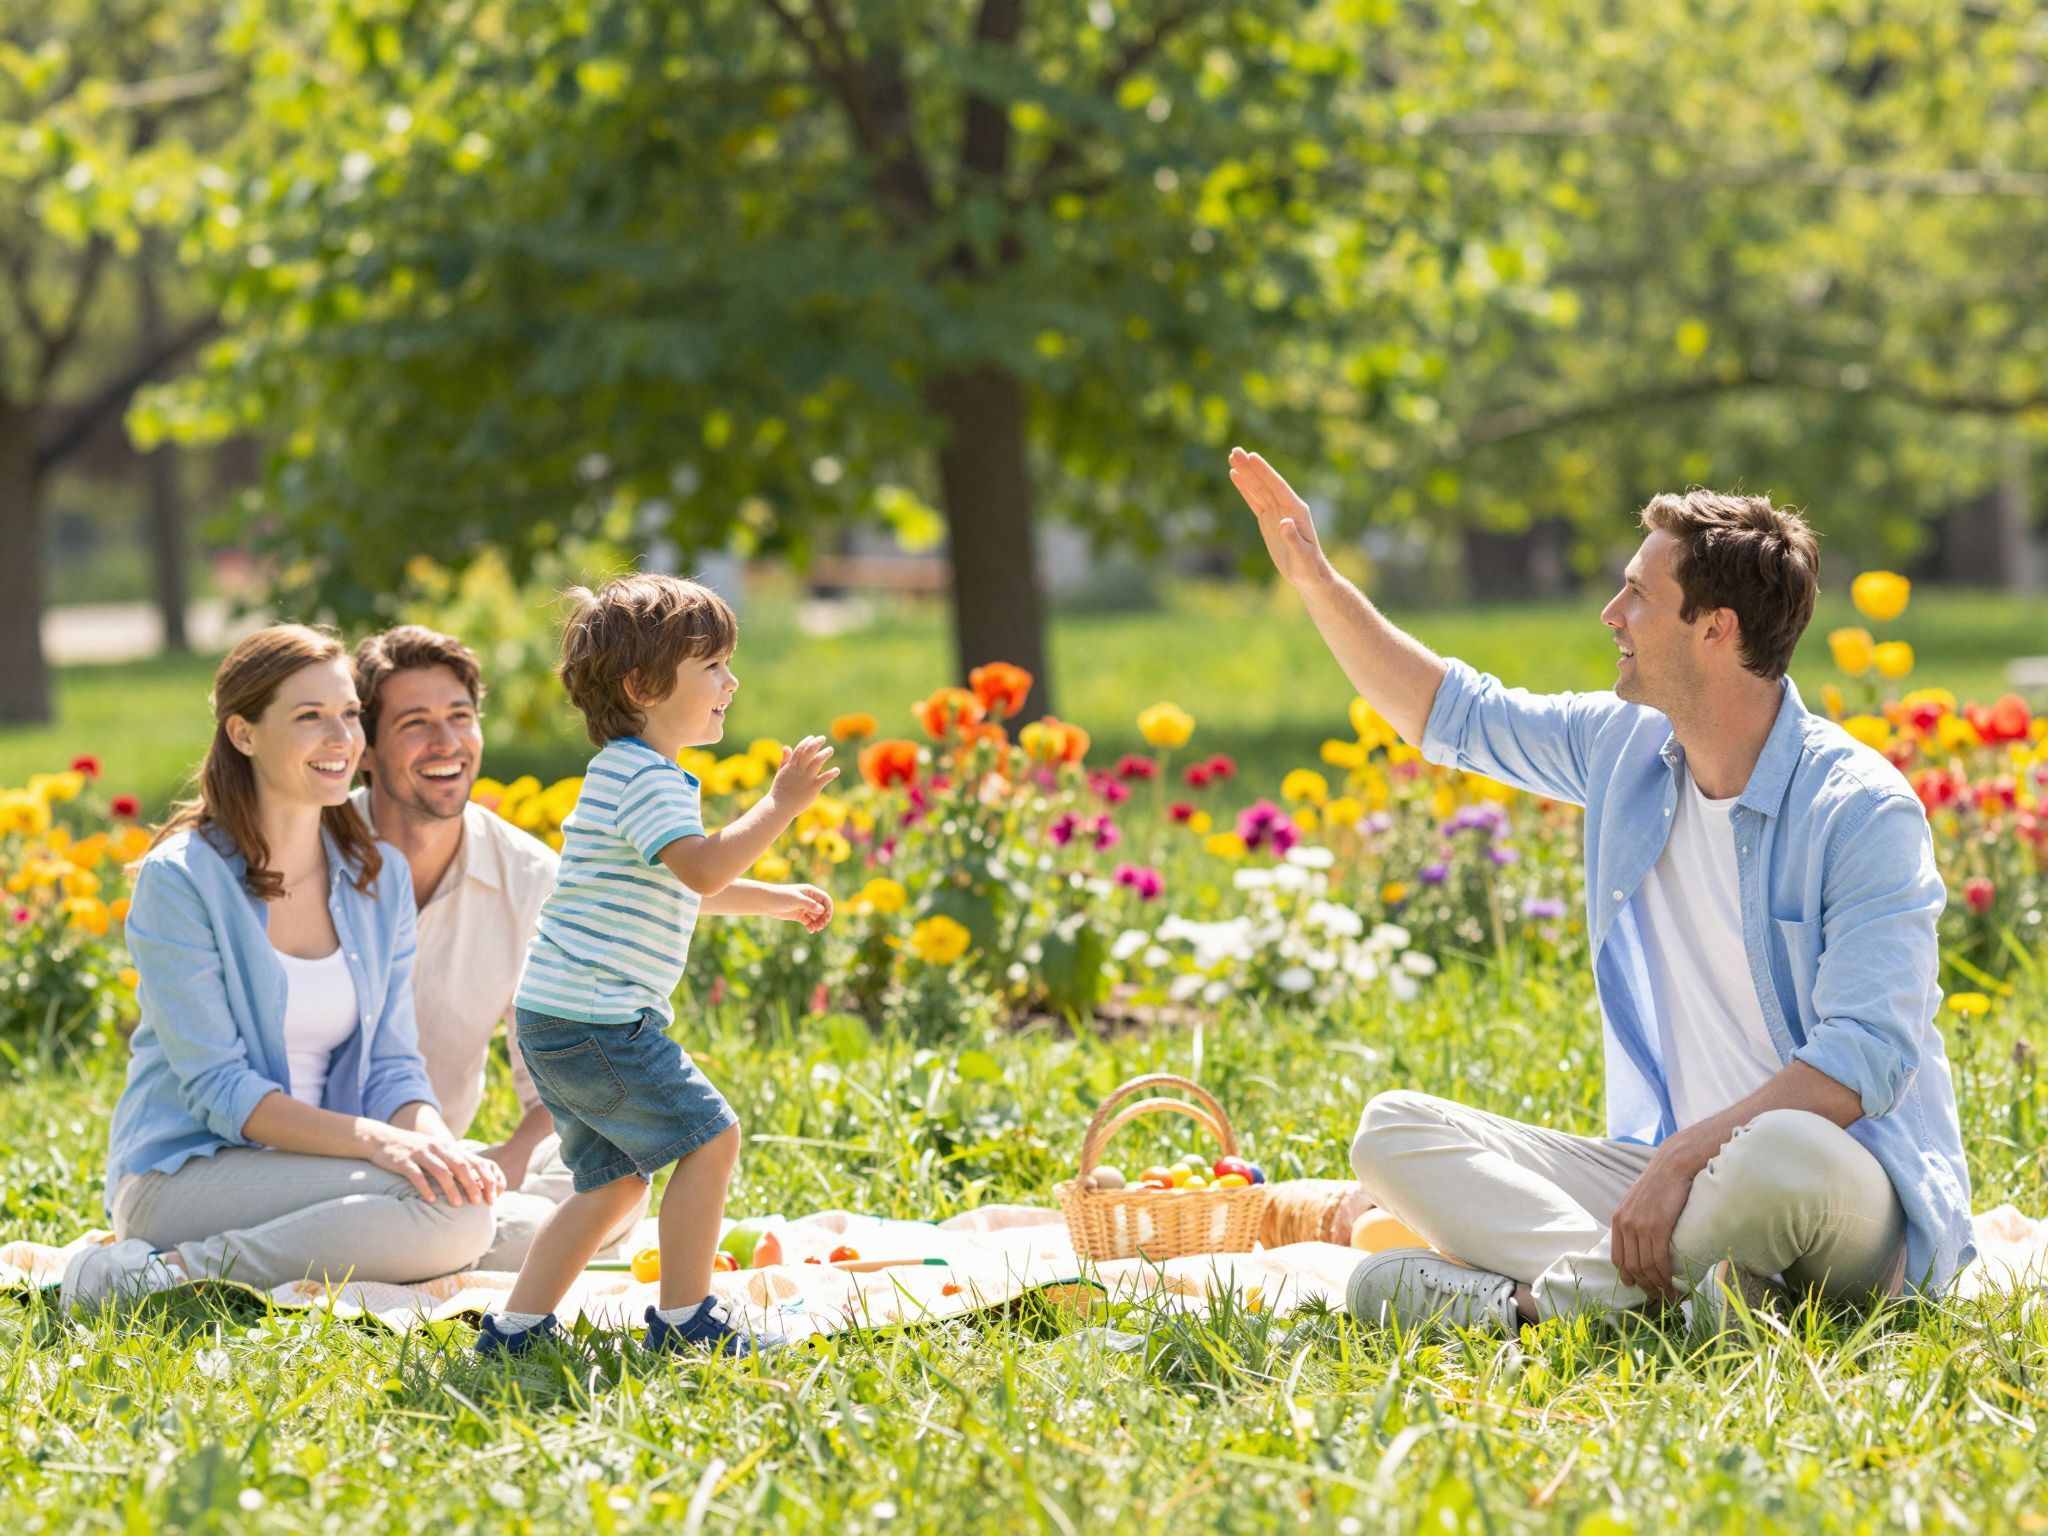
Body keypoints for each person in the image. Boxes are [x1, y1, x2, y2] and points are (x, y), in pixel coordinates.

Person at [1225, 448, 1973, 1332]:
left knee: (1778, 1149)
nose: (1611, 613)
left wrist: (1681, 1160)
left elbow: (1861, 1061)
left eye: (1638, 594)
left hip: (1840, 1197)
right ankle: (1681, 1300)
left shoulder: (1860, 809)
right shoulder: (1625, 747)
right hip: (1681, 1184)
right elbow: (1451, 714)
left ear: (1714, 629)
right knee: (1393, 1131)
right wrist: (1316, 581)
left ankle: (1536, 1307)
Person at [64, 626, 503, 1313]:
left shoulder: (377, 877)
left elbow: (393, 1068)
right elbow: (221, 1089)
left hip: (320, 1167)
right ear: (244, 734)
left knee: (498, 1212)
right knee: (459, 1220)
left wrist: (440, 1153)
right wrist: (383, 1146)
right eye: (309, 717)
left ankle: (244, 1260)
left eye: (349, 714)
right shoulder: (181, 880)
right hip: (183, 1174)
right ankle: (158, 1274)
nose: (341, 738)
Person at [475, 574, 837, 1359]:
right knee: (712, 1138)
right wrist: (780, 804)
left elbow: (681, 883)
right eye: (712, 666)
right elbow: (700, 870)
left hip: (561, 1017)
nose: (731, 683)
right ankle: (686, 1322)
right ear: (643, 686)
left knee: (612, 1184)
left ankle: (515, 1331)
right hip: (598, 1021)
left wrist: (772, 900)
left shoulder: (629, 774)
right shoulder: (642, 775)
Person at [349, 625, 647, 1269]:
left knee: (618, 1169)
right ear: (364, 749)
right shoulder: (312, 857)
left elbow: (559, 1090)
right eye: (415, 723)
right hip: (327, 1155)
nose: (447, 743)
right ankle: (457, 1238)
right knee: (500, 1224)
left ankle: (448, 1234)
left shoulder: (532, 878)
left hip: (444, 1162)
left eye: (460, 717)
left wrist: (507, 1164)